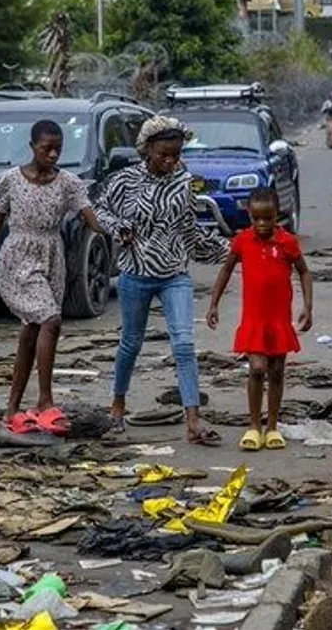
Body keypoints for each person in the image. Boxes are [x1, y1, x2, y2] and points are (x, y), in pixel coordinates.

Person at [0, 120, 107, 432]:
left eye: (58, 149)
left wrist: (118, 232)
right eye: (46, 149)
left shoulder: (69, 183)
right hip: (17, 258)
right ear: (32, 147)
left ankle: (11, 408)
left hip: (51, 258)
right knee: (51, 319)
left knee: (31, 330)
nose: (53, 155)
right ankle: (44, 400)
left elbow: (92, 219)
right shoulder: (10, 181)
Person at [94, 116, 229, 446]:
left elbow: (189, 230)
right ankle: (117, 407)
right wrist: (118, 228)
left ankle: (193, 419)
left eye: (176, 154)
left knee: (183, 343)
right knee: (131, 343)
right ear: (147, 149)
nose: (170, 161)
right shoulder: (124, 181)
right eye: (164, 154)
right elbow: (98, 212)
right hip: (134, 275)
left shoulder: (184, 182)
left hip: (174, 274)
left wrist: (232, 251)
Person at [206, 188, 313, 452]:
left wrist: (308, 307)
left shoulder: (288, 242)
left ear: (277, 215)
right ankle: (254, 425)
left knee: (277, 371)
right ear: (250, 216)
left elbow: (304, 272)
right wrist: (213, 304)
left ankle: (273, 426)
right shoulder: (243, 241)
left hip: (279, 319)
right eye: (257, 219)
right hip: (254, 319)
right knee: (256, 368)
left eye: (268, 218)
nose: (262, 224)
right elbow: (227, 269)